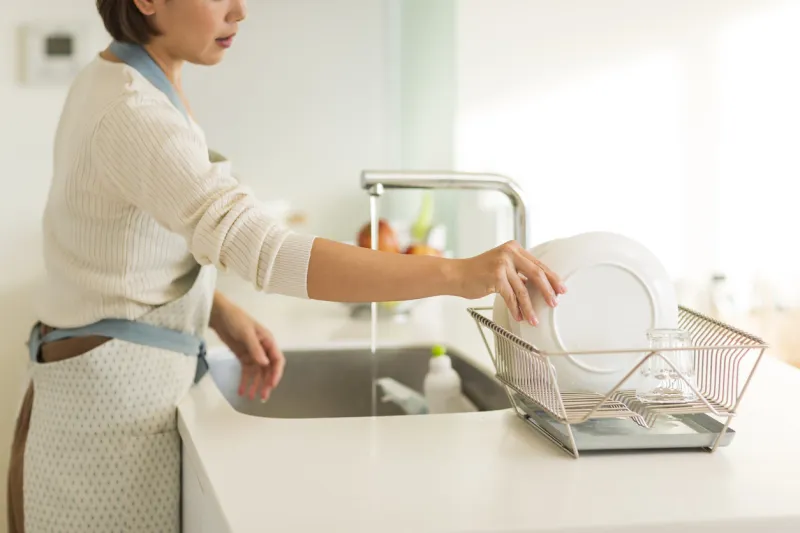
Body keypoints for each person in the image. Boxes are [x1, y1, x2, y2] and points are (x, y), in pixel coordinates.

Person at [5, 1, 565, 532]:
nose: (240, 11)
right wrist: (455, 274)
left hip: (103, 397)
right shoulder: (134, 110)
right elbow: (264, 252)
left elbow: (116, 245)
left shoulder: (121, 78)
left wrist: (216, 310)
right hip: (105, 428)